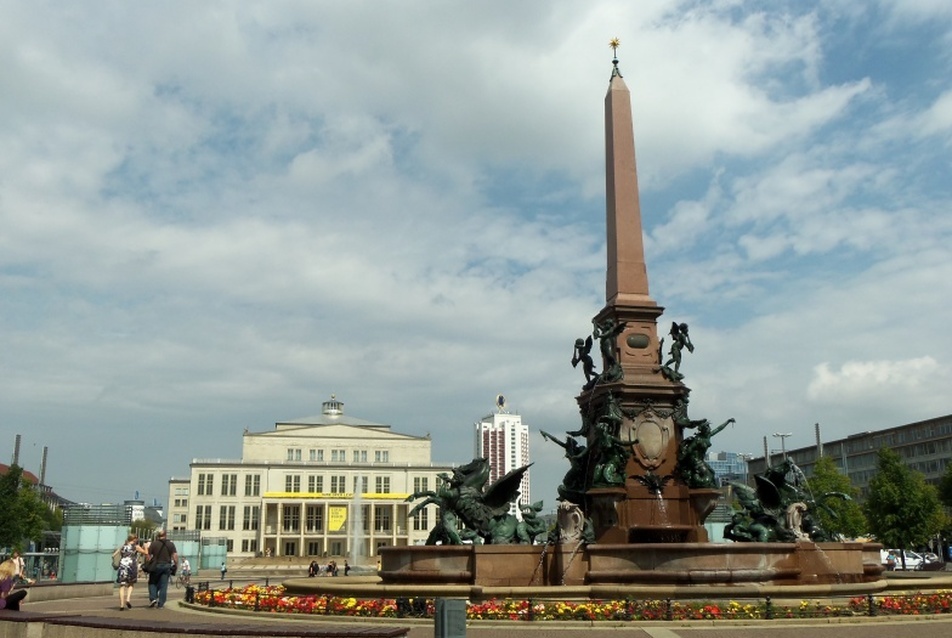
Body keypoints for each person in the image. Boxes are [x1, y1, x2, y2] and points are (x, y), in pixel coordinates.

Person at [114, 534, 148, 611]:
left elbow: (114, 554)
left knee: (122, 585)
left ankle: (121, 605)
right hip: (131, 565)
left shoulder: (123, 546)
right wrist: (145, 546)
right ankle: (128, 599)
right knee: (131, 583)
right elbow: (146, 553)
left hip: (122, 566)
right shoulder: (135, 546)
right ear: (134, 539)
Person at [146, 530, 178, 609]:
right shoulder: (170, 544)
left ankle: (153, 598)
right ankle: (161, 604)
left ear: (158, 536)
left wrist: (147, 564)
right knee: (164, 585)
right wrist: (176, 564)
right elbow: (175, 556)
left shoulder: (154, 544)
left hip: (156, 566)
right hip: (166, 566)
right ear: (165, 535)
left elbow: (148, 556)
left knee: (152, 582)